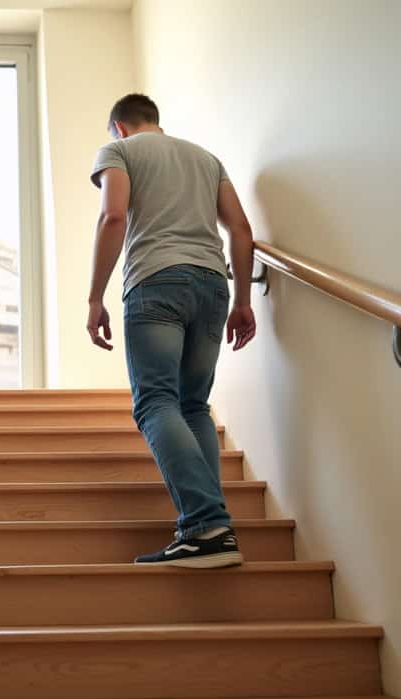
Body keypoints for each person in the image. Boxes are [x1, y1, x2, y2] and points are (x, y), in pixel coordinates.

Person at [86, 93, 257, 568]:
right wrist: (242, 301)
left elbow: (113, 215)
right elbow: (241, 231)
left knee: (156, 402)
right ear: (154, 121)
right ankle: (215, 527)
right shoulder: (207, 159)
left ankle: (203, 524)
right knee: (192, 405)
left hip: (157, 281)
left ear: (119, 127)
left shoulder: (119, 152)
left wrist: (95, 296)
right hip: (212, 285)